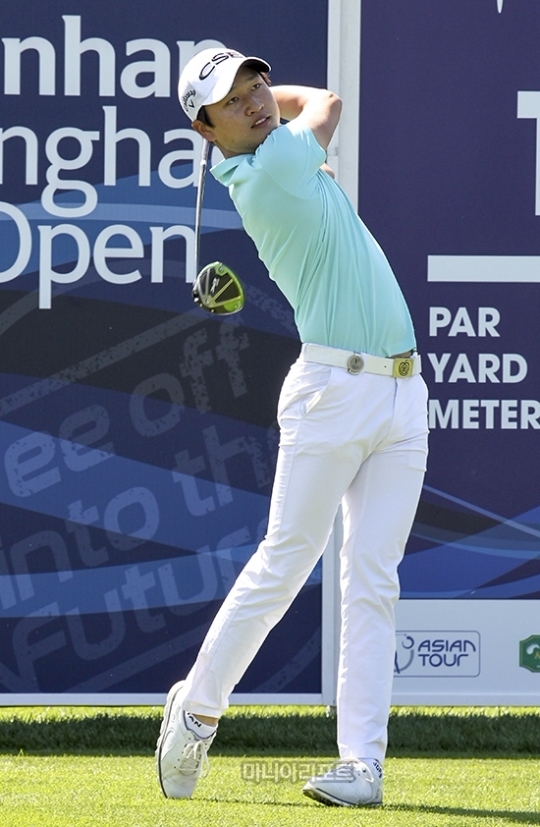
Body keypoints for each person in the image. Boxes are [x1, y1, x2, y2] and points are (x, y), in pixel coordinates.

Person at [156, 47, 429, 808]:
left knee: (372, 580)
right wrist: (276, 106)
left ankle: (362, 766)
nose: (255, 101)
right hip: (331, 394)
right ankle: (196, 710)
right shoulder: (274, 167)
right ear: (205, 129)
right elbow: (329, 102)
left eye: (257, 84)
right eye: (232, 100)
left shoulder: (274, 157)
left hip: (403, 394)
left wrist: (256, 102)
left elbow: (305, 116)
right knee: (286, 562)